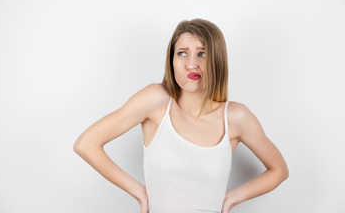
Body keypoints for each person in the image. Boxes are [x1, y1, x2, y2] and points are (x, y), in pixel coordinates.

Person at [73, 18, 289, 213]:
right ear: (172, 60)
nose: (191, 63)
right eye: (182, 53)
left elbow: (279, 170)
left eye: (202, 54)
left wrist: (232, 198)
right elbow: (86, 144)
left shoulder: (236, 117)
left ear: (217, 60)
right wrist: (139, 192)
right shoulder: (155, 100)